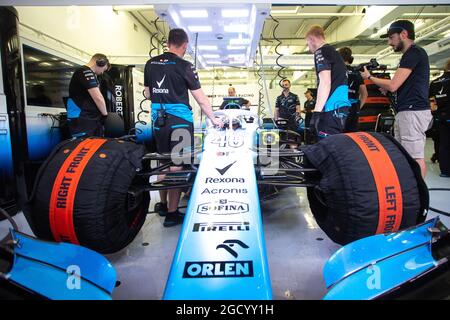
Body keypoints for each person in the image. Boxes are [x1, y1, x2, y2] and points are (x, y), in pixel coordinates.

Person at [144, 28, 223, 227]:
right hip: (180, 123)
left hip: (158, 122)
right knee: (176, 166)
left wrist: (163, 95)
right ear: (185, 45)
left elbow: (147, 93)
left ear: (168, 42)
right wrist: (214, 120)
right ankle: (172, 213)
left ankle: (162, 205)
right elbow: (201, 99)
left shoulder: (150, 64)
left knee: (162, 163)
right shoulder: (185, 65)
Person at [360, 20, 432, 178]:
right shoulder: (410, 55)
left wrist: (370, 77)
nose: (389, 42)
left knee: (415, 157)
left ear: (404, 34)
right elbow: (398, 87)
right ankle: (410, 191)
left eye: (392, 37)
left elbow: (393, 84)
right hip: (406, 111)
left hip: (413, 113)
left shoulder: (414, 53)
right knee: (405, 155)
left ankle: (418, 196)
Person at [305, 25, 351, 140]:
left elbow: (325, 82)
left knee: (327, 147)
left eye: (307, 43)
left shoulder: (321, 52)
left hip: (331, 107)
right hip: (340, 107)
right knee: (335, 146)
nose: (308, 47)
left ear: (312, 39)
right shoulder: (334, 53)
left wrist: (316, 113)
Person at [67, 53, 110, 137]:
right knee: (82, 146)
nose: (102, 73)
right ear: (100, 63)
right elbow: (98, 97)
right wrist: (105, 115)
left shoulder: (88, 73)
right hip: (82, 117)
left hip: (88, 117)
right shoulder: (85, 71)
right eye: (103, 69)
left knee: (94, 146)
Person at [338, 47, 368, 132]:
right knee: (351, 137)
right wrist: (358, 107)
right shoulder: (357, 72)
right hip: (353, 109)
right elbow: (365, 94)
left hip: (339, 109)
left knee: (338, 138)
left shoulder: (337, 71)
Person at [429, 59, 450, 177]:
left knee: (442, 143)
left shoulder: (435, 82)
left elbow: (431, 101)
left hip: (439, 117)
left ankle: (445, 170)